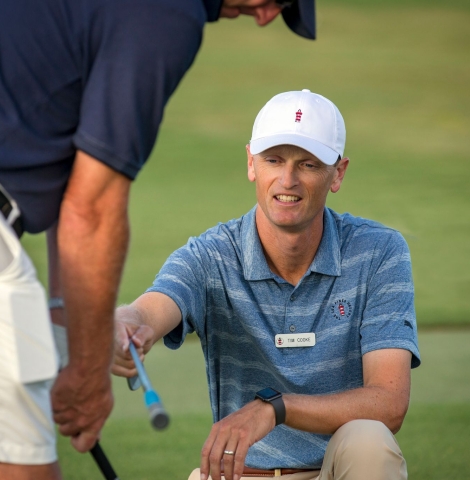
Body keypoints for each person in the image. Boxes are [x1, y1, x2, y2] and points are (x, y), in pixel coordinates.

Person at [0, 1, 317, 479]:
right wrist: (88, 379)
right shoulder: (167, 13)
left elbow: (72, 186)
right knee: (25, 465)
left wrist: (68, 323)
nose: (268, 16)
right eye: (279, 0)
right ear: (252, 163)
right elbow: (94, 210)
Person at [113, 89, 421, 480]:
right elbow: (153, 307)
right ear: (251, 163)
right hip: (242, 475)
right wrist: (126, 322)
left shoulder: (379, 251)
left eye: (308, 164)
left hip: (335, 471)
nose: (287, 179)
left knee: (369, 440)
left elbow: (389, 402)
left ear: (338, 173)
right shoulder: (212, 255)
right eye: (273, 160)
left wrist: (274, 408)